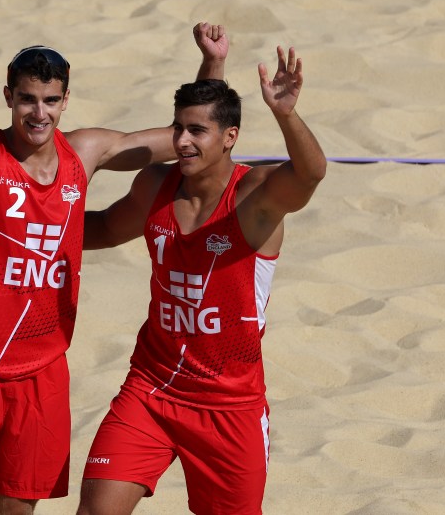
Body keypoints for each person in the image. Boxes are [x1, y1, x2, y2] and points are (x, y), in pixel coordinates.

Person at [0, 0, 229, 515]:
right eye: (26, 100)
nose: (37, 113)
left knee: (14, 510)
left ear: (65, 101)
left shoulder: (84, 153)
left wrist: (212, 66)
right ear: (8, 98)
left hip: (44, 369)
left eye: (49, 100)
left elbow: (186, 139)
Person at [76, 47, 327, 515]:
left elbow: (311, 173)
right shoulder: (156, 185)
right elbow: (107, 228)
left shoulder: (254, 197)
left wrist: (287, 115)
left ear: (230, 137)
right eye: (178, 128)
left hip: (228, 407)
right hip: (151, 389)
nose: (183, 141)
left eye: (197, 131)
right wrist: (36, 225)